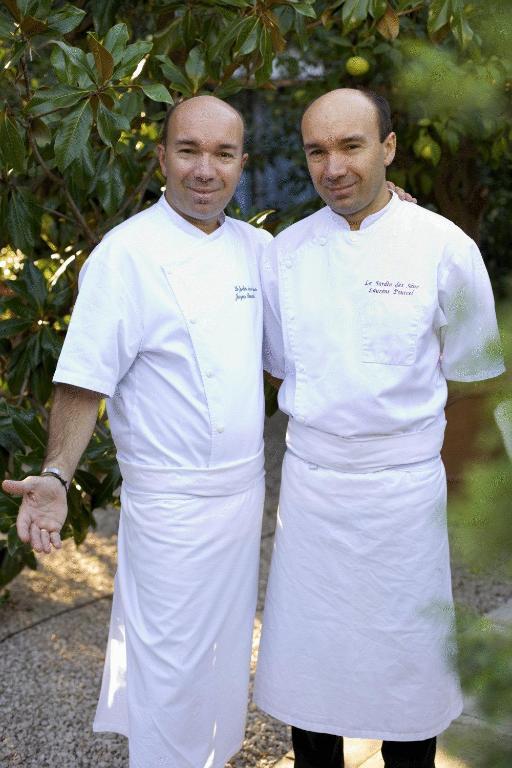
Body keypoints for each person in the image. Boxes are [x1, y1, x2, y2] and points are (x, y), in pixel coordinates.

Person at [2, 95, 272, 768]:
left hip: (242, 504)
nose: (205, 170)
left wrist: (386, 220)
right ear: (162, 157)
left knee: (220, 670)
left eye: (222, 154)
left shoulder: (262, 252)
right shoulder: (124, 256)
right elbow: (82, 379)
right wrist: (58, 474)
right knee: (168, 678)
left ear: (243, 163)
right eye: (188, 151)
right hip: (170, 512)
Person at [253, 88, 505, 768]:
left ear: (389, 148)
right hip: (313, 495)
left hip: (404, 499)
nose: (333, 167)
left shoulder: (445, 248)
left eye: (351, 146)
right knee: (314, 679)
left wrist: (469, 499)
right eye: (317, 150)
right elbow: (281, 366)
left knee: (408, 678)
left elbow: (477, 379)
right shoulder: (285, 254)